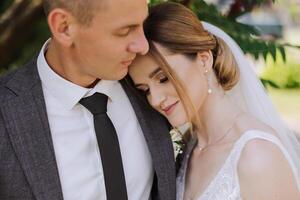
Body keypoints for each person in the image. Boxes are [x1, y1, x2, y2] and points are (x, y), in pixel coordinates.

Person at [0, 0, 176, 199]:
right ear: (64, 27)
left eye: (142, 25)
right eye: (125, 31)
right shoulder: (6, 110)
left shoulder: (152, 83)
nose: (143, 46)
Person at [129, 2, 300, 199]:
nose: (155, 99)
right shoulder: (191, 149)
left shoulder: (258, 156)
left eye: (163, 78)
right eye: (145, 90)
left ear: (203, 60)